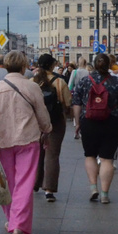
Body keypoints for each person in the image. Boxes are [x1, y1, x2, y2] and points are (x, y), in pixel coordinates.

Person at [0, 50, 51, 234]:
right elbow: (41, 113)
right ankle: (18, 225)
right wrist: (47, 129)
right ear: (24, 66)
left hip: (3, 141)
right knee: (25, 182)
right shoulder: (32, 87)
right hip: (27, 138)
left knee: (7, 182)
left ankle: (12, 219)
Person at [71, 53, 118, 205]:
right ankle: (105, 194)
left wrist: (77, 123)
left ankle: (93, 188)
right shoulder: (117, 82)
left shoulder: (85, 81)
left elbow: (77, 104)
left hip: (89, 121)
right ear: (109, 65)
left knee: (90, 155)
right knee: (107, 159)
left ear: (94, 64)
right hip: (112, 122)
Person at [33, 54, 72, 203]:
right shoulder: (60, 82)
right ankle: (49, 190)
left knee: (37, 153)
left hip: (36, 122)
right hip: (56, 121)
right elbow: (67, 102)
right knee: (52, 154)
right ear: (52, 66)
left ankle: (34, 183)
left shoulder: (32, 82)